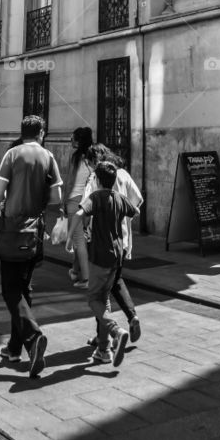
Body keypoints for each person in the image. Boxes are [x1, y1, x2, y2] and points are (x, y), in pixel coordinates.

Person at [0, 116, 62, 378]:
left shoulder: (12, 154)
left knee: (10, 290)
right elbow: (56, 197)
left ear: (23, 132)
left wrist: (11, 195)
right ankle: (15, 348)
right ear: (41, 132)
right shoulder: (49, 157)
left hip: (12, 231)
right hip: (36, 232)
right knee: (24, 288)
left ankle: (33, 336)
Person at [70, 160, 137, 368]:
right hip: (117, 255)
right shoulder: (119, 197)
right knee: (105, 298)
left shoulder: (96, 197)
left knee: (93, 299)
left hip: (100, 255)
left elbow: (80, 213)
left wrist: (72, 234)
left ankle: (116, 331)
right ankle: (104, 350)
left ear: (97, 180)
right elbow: (136, 211)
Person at [82, 144, 143, 345]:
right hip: (121, 241)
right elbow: (138, 201)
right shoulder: (123, 174)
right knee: (113, 284)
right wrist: (123, 217)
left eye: (89, 163)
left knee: (98, 295)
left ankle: (108, 337)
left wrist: (83, 232)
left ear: (94, 162)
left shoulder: (95, 180)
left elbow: (85, 207)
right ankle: (112, 333)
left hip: (100, 242)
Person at [64, 127, 93, 289]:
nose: (71, 141)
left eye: (73, 138)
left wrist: (63, 201)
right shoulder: (93, 157)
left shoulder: (75, 157)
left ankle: (87, 279)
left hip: (74, 201)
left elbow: (69, 181)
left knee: (79, 241)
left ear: (78, 141)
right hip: (89, 202)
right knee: (81, 238)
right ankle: (75, 270)